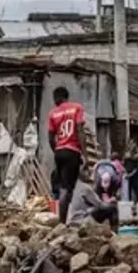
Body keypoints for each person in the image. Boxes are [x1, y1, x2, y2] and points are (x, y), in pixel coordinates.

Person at [47, 86, 86, 224]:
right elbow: (80, 130)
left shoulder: (53, 113)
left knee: (64, 186)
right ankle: (63, 222)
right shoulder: (77, 108)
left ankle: (66, 219)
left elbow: (51, 138)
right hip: (72, 150)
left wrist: (57, 150)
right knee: (67, 188)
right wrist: (84, 153)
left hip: (60, 151)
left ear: (58, 98)